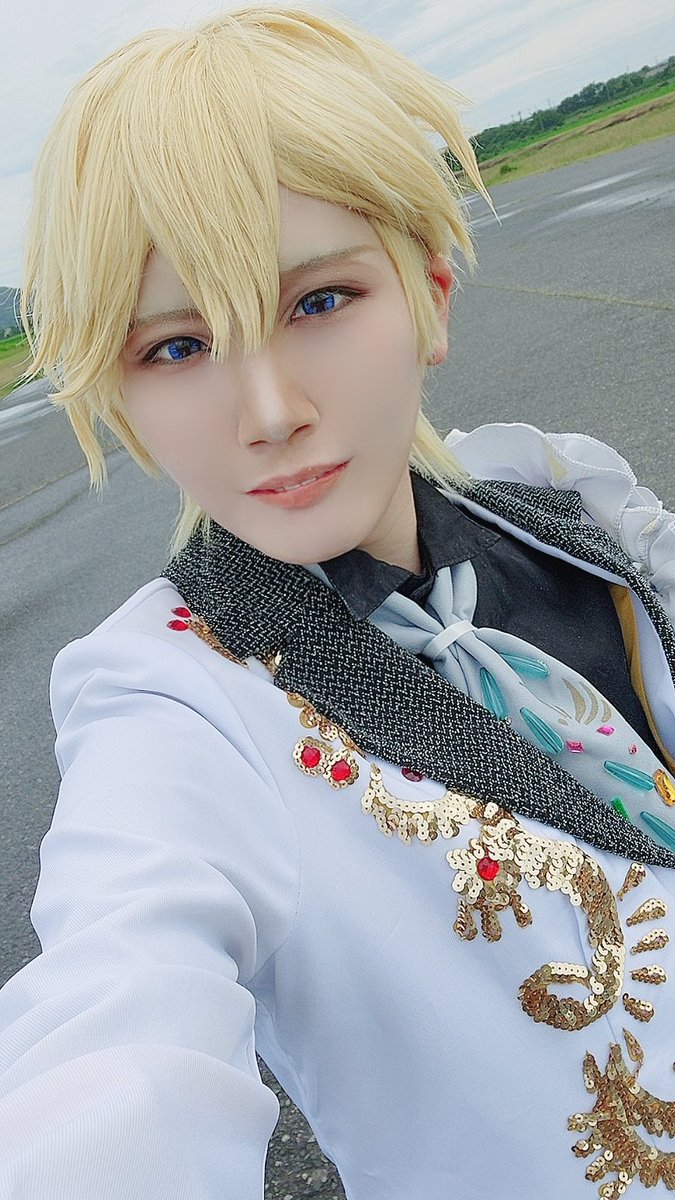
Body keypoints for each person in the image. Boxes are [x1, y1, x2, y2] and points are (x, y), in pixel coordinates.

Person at [1, 7, 675, 1198]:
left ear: (430, 296)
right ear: (119, 393)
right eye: (175, 348)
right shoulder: (171, 704)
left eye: (318, 302)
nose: (268, 412)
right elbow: (114, 1040)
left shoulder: (570, 499)